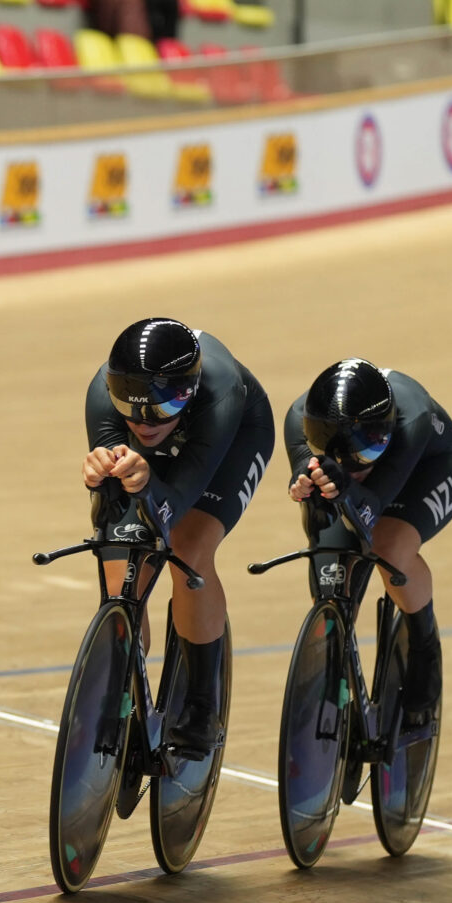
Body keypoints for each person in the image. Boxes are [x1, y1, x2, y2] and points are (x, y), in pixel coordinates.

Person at [81, 318, 275, 762]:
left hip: (231, 438)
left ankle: (202, 704)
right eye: (130, 408)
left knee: (188, 548)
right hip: (162, 449)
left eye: (162, 406)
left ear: (188, 392)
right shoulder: (104, 394)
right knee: (122, 569)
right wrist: (99, 477)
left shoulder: (220, 393)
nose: (143, 423)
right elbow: (113, 501)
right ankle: (121, 687)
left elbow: (175, 506)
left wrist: (148, 482)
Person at [282, 361, 452, 730]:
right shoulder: (298, 420)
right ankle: (339, 683)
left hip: (428, 468)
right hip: (356, 482)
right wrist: (305, 482)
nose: (356, 465)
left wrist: (344, 480)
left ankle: (424, 646)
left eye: (366, 452)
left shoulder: (413, 418)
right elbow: (316, 497)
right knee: (331, 579)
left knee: (389, 548)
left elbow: (371, 509)